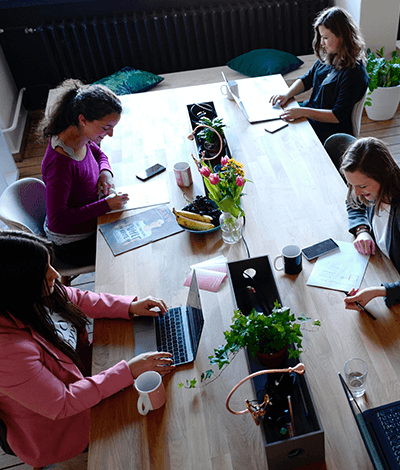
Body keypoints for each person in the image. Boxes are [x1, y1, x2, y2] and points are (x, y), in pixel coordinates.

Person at [0, 230, 174, 468]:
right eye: (44, 271)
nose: (55, 274)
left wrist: (130, 307)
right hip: (63, 428)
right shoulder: (8, 352)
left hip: (89, 377)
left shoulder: (33, 294)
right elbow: (62, 403)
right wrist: (128, 371)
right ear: (18, 285)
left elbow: (77, 298)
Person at [37, 78, 129, 267]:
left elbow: (98, 153)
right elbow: (58, 220)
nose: (110, 134)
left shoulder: (79, 136)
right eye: (106, 127)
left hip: (92, 219)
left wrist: (105, 172)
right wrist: (105, 205)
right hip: (73, 245)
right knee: (132, 252)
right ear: (83, 120)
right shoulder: (60, 165)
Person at [270, 6, 369, 144]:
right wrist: (287, 94)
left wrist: (303, 112)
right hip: (311, 114)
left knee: (284, 135)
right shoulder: (330, 57)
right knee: (276, 117)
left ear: (342, 36)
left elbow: (337, 116)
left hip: (330, 129)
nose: (322, 43)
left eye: (326, 37)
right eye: (321, 37)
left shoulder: (354, 73)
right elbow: (307, 79)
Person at [340, 137, 400, 310]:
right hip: (382, 268)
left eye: (362, 186)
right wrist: (362, 230)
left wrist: (379, 292)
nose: (357, 193)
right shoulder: (371, 190)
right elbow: (353, 203)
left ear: (386, 172)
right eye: (352, 185)